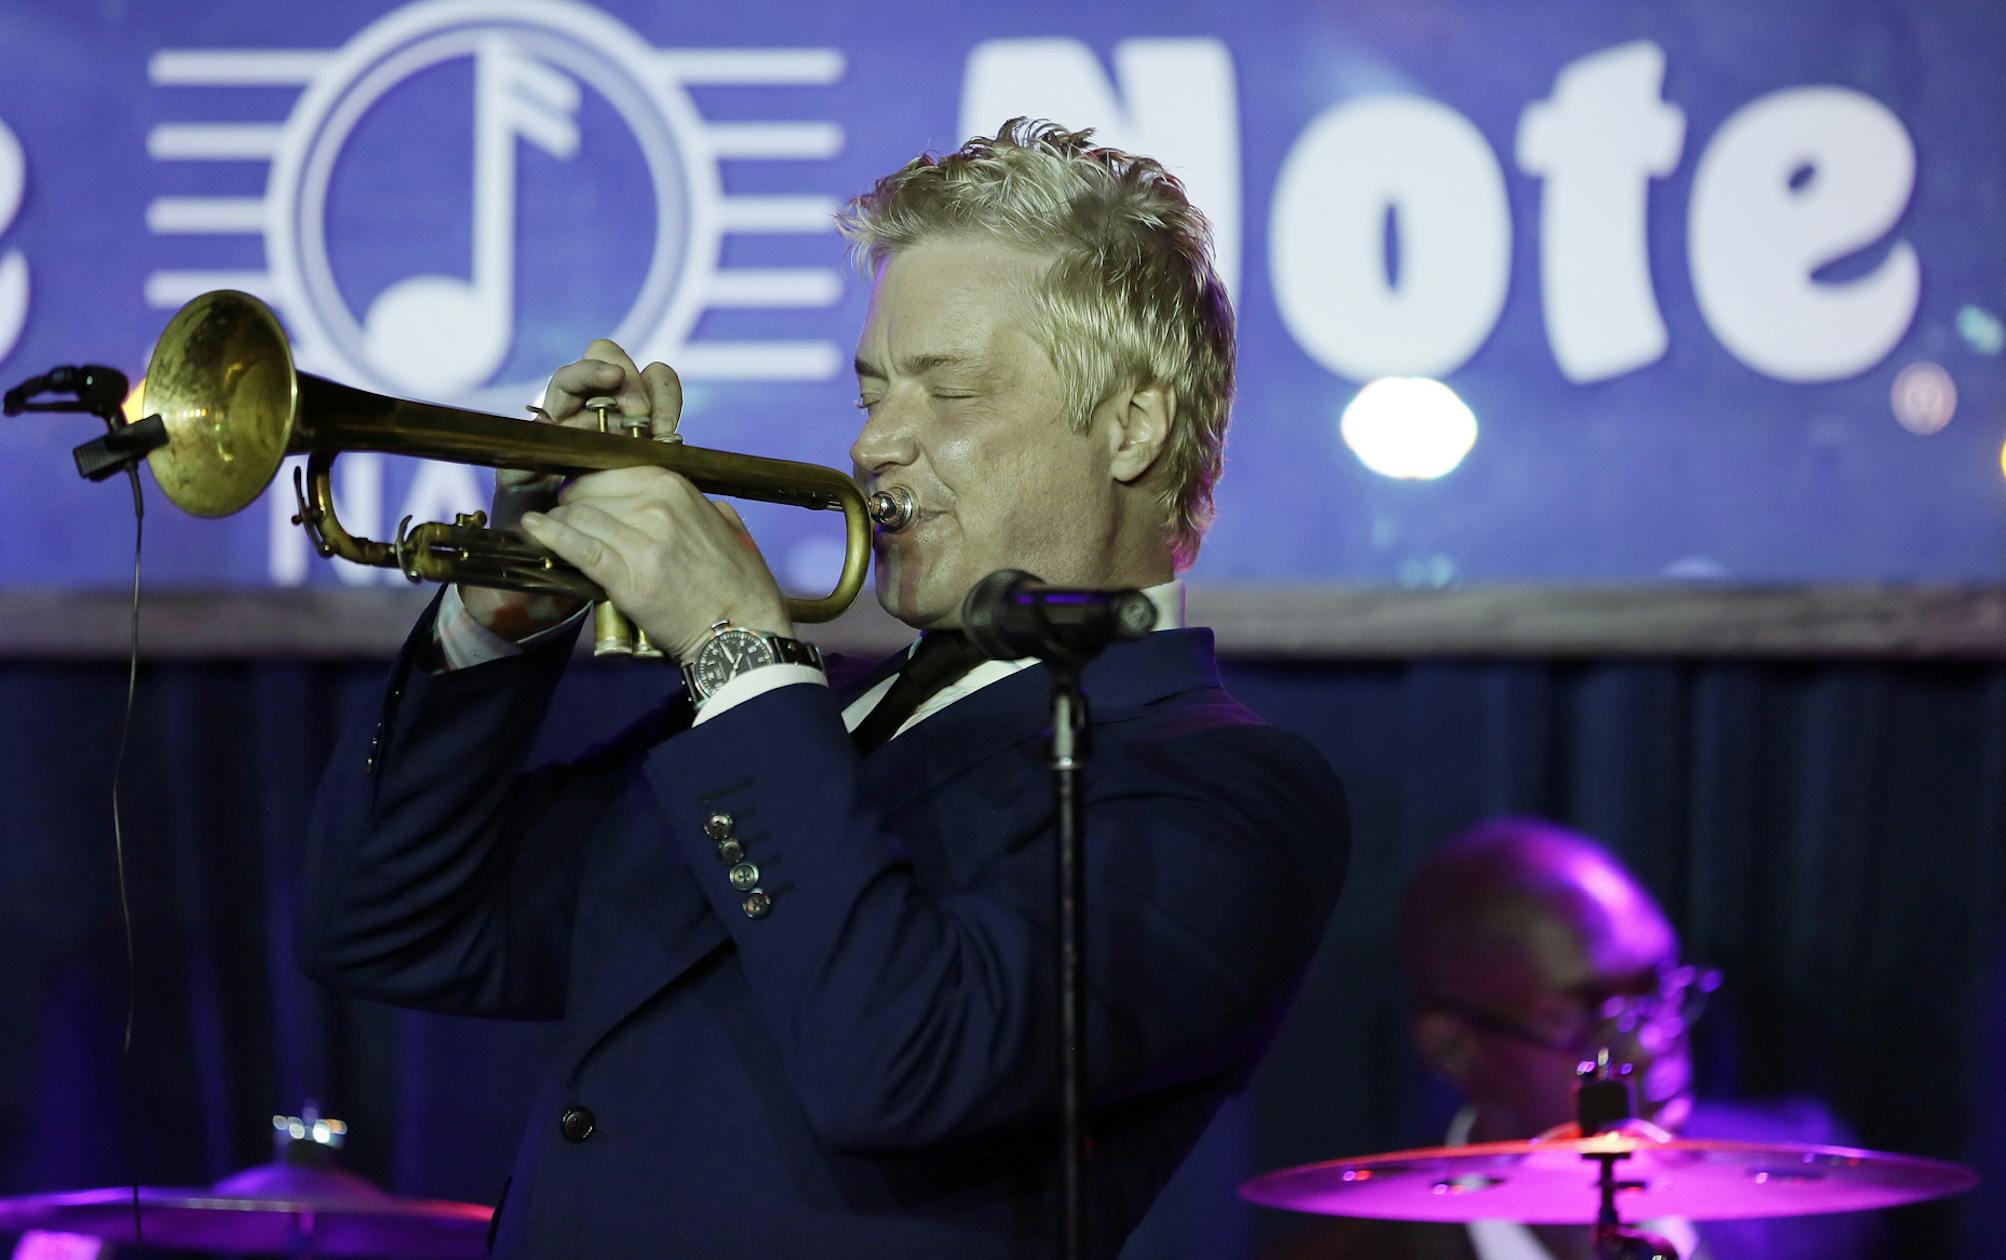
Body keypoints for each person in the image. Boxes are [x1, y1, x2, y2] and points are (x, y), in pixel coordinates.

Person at [298, 118, 1348, 1258]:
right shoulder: (804, 720)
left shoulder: (1225, 789)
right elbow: (389, 925)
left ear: (1132, 425)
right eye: (872, 394)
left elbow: (910, 1067)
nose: (875, 446)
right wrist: (500, 618)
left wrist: (740, 650)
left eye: (948, 395)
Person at [1270, 818, 1866, 1260]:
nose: (1647, 1043)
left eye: (1658, 989)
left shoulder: (1819, 1190)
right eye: (1579, 1015)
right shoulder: (1344, 1253)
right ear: (1455, 1048)